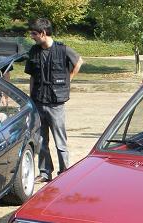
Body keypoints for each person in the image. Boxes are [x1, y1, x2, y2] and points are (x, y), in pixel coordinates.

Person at [25, 18, 83, 182]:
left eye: (34, 33)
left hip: (55, 104)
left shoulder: (63, 49)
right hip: (38, 101)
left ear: (43, 33)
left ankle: (64, 173)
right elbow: (31, 77)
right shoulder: (34, 51)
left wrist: (69, 79)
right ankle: (45, 173)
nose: (32, 36)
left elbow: (79, 61)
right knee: (41, 140)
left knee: (60, 142)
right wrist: (31, 98)